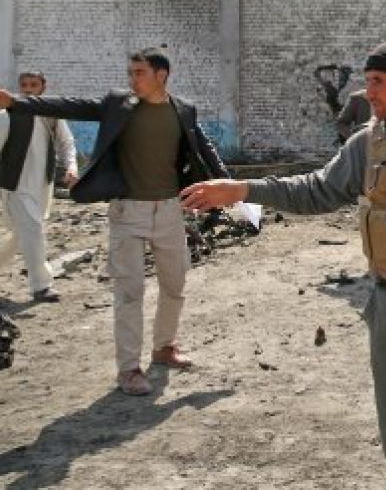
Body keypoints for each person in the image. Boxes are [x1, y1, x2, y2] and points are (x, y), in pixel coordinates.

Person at [179, 40, 386, 490]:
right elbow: (315, 190)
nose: (367, 92)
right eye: (367, 81)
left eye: (378, 82)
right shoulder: (365, 147)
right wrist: (243, 189)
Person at [0, 48, 230, 396]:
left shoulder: (182, 109)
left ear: (161, 76)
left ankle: (164, 347)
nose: (132, 79)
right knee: (129, 292)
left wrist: (228, 185)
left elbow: (203, 146)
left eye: (139, 73)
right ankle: (129, 369)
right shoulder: (118, 104)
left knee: (175, 284)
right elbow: (70, 106)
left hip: (170, 211)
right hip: (127, 213)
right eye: (130, 73)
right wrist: (16, 102)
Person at [0, 71, 78, 302]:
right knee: (33, 229)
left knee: (21, 234)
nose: (28, 89)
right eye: (24, 85)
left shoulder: (51, 114)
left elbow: (66, 142)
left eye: (33, 85)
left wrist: (71, 167)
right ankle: (41, 286)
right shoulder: (6, 116)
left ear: (43, 87)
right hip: (15, 185)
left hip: (43, 184)